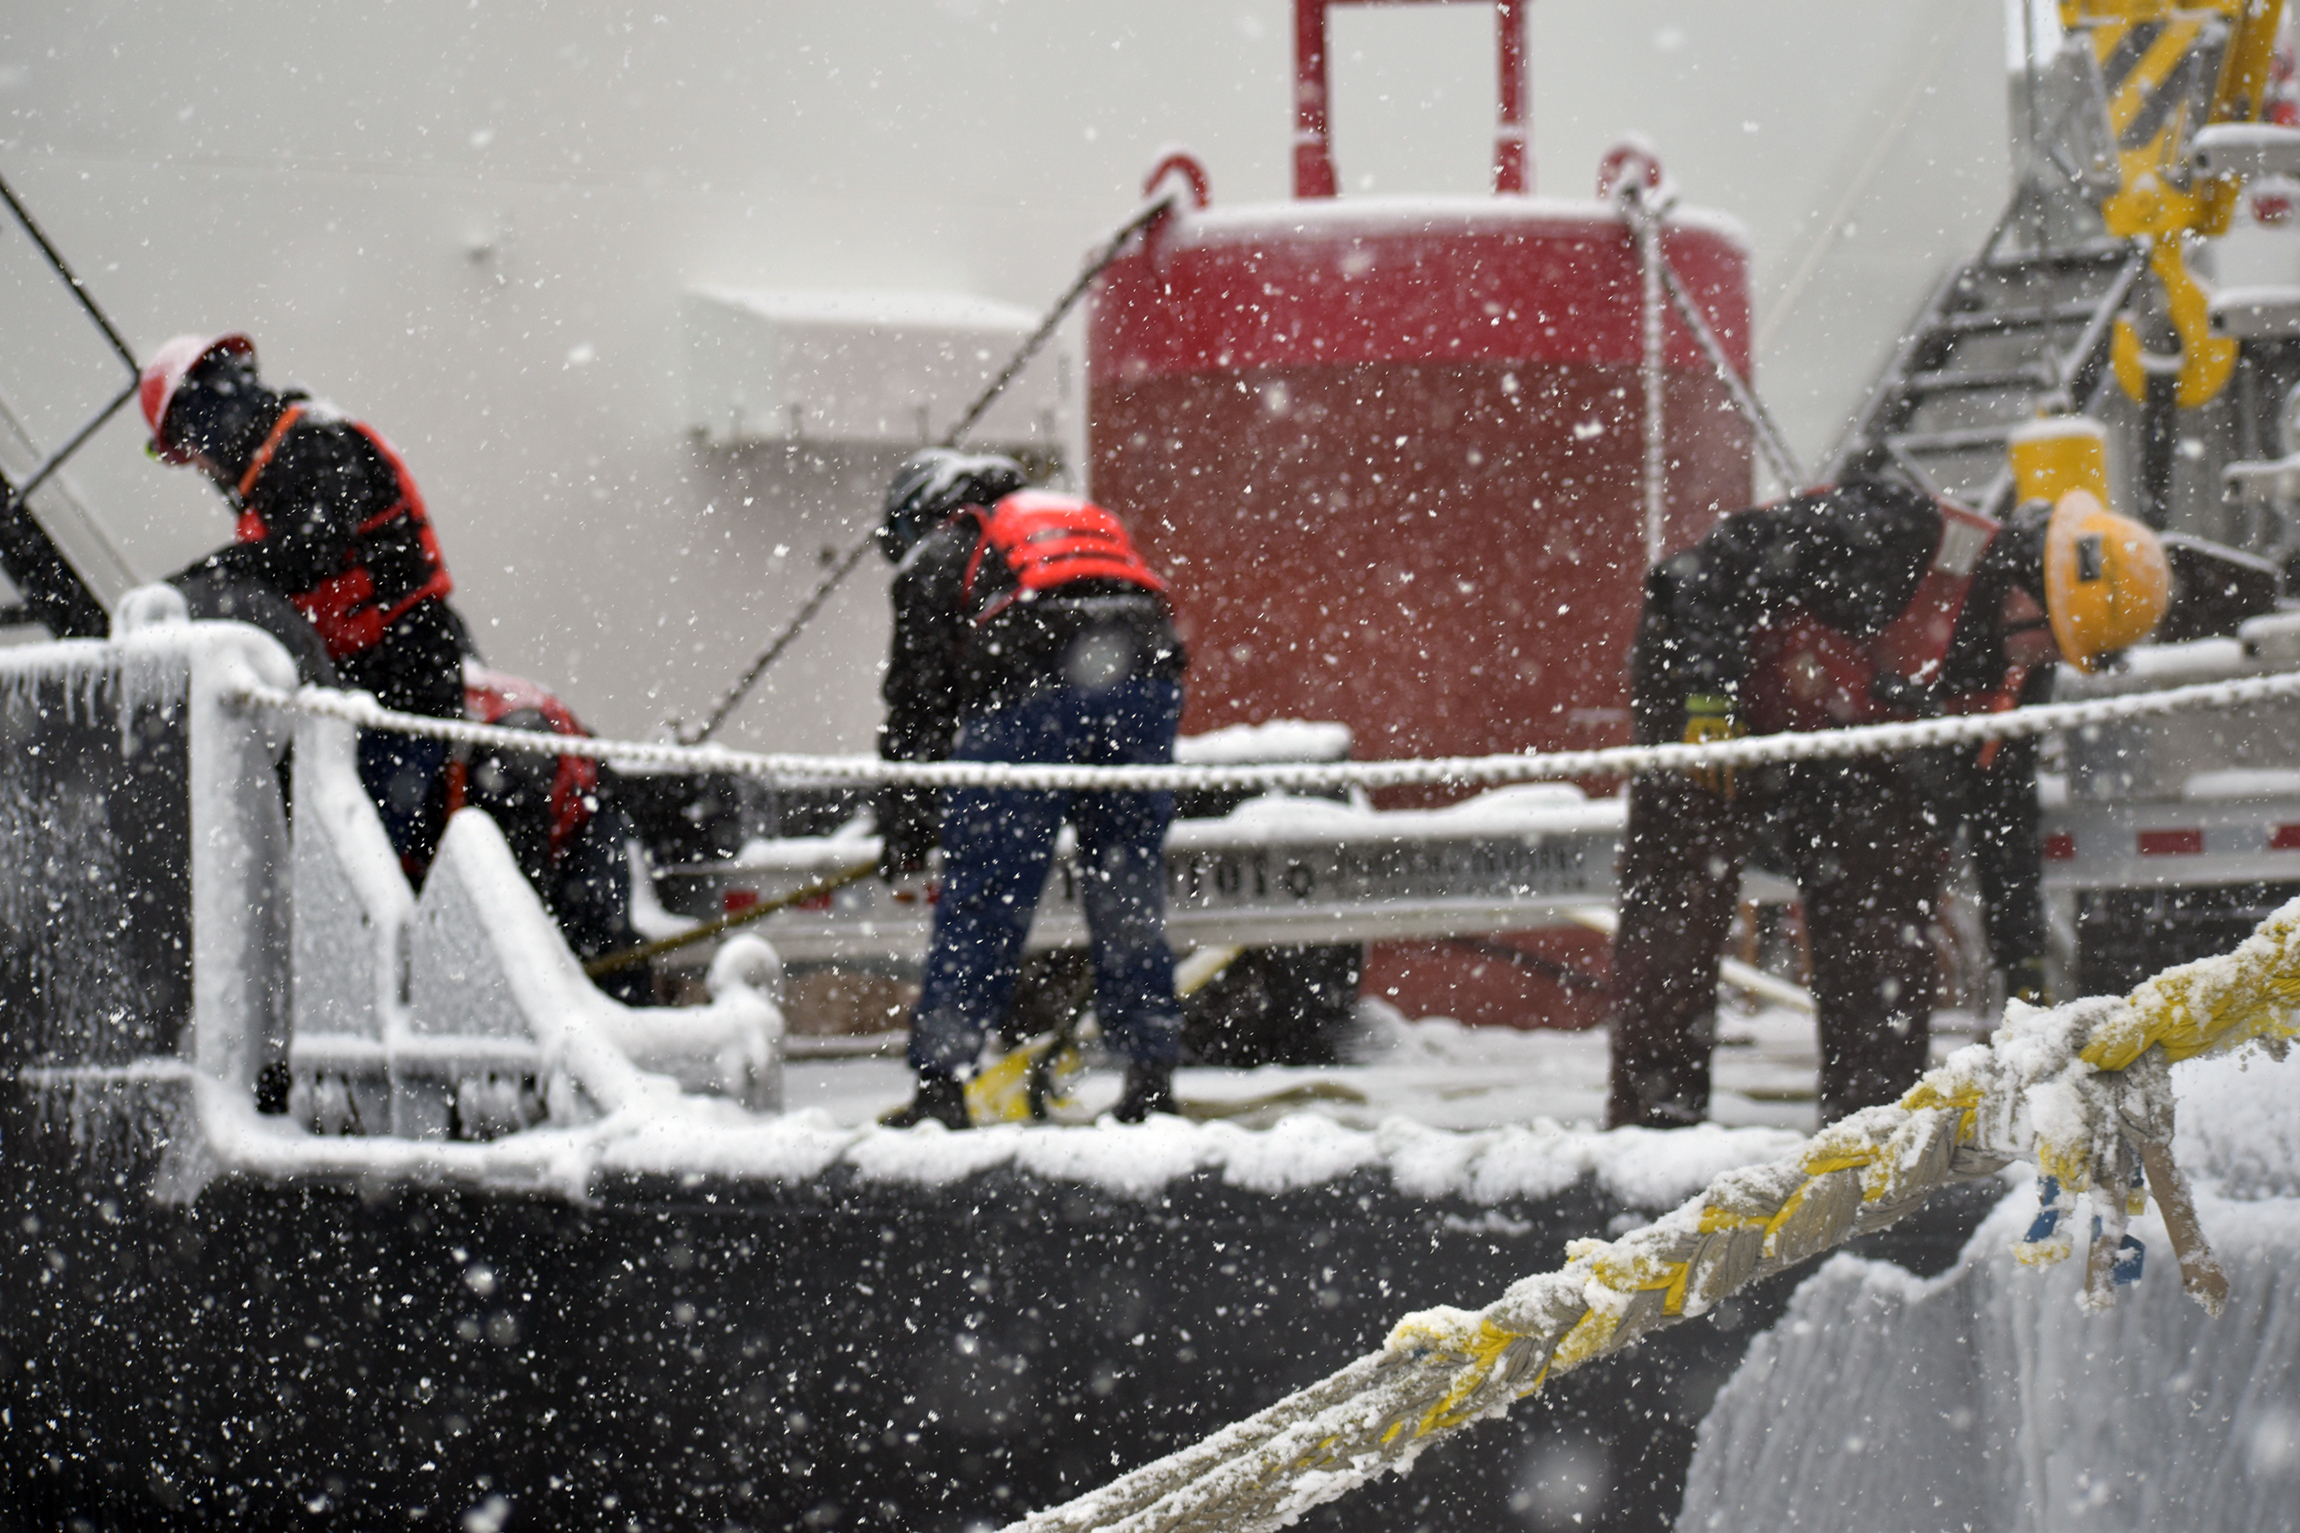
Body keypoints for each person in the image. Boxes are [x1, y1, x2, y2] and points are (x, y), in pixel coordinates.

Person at [1608, 476, 2169, 1128]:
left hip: (1829, 736)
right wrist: (1709, 700)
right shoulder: (1899, 534)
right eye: (2052, 636)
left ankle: (1871, 1136)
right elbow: (1713, 567)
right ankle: (1655, 1125)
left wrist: (2022, 960)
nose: (2046, 656)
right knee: (1683, 895)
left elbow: (2004, 812)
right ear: (2022, 584)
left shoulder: (2016, 670)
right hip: (1706, 678)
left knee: (1888, 891)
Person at [874, 449, 1188, 1128]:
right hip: (1146, 679)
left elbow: (917, 707)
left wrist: (906, 826)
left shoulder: (943, 548)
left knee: (988, 890)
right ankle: (1152, 1080)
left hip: (1034, 684)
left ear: (920, 510)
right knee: (1126, 882)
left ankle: (941, 1086)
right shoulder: (1064, 516)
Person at [139, 332, 466, 871]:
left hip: (406, 686)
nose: (203, 467)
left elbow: (310, 549)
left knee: (354, 865)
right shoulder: (284, 464)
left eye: (191, 451)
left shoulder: (314, 445)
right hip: (368, 693)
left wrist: (193, 583)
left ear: (206, 417)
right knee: (336, 858)